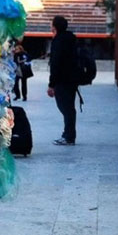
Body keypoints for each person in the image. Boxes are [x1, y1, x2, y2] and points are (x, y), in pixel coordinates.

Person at [47, 15, 78, 146]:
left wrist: (51, 84)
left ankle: (68, 136)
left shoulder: (58, 41)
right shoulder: (71, 39)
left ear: (55, 26)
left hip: (62, 80)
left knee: (66, 108)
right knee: (70, 108)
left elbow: (56, 64)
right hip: (72, 79)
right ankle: (69, 134)